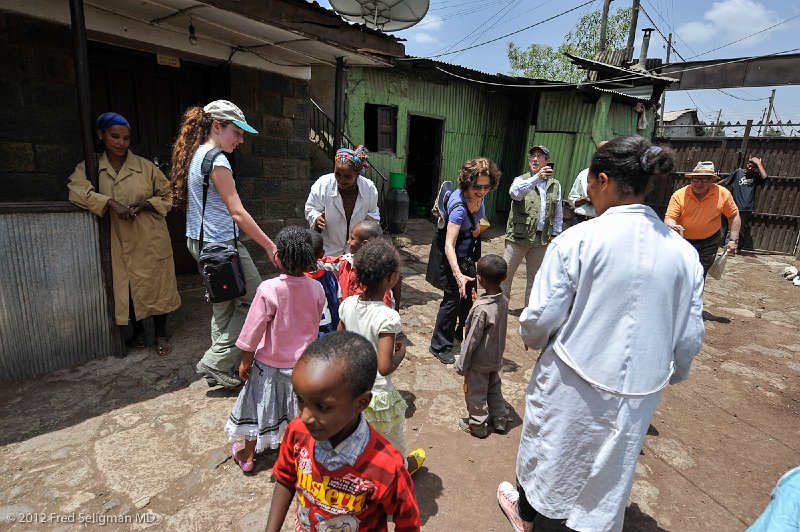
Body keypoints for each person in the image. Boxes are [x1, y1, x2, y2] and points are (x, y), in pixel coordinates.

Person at [498, 137, 705, 532]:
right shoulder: (683, 254)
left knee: (553, 459)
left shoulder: (578, 241)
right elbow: (689, 338)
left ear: (603, 180)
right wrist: (663, 374)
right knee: (609, 471)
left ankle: (529, 518)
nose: (587, 191)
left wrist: (534, 339)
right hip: (638, 393)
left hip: (572, 386)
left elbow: (539, 319)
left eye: (589, 183)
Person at [266, 331, 421, 532]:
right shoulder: (298, 432)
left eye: (321, 407)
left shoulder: (387, 466)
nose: (305, 416)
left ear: (362, 403)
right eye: (301, 400)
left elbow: (407, 522)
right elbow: (285, 479)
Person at [170, 99, 278, 388]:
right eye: (237, 132)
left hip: (201, 243)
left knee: (224, 308)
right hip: (220, 246)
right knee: (257, 300)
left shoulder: (198, 155)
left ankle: (223, 369)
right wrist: (269, 245)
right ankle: (216, 362)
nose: (240, 140)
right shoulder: (217, 160)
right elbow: (237, 211)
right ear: (216, 126)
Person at [68, 112, 180, 356]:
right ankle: (138, 332)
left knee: (159, 284)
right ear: (101, 136)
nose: (121, 143)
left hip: (149, 236)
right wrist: (109, 203)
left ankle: (160, 333)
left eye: (126, 138)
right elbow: (76, 192)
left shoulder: (145, 167)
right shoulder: (91, 167)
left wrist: (145, 205)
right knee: (127, 287)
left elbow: (168, 196)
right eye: (115, 136)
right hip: (117, 239)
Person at [225, 226, 325, 472]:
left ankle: (247, 456)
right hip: (303, 365)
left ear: (277, 256)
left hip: (269, 364)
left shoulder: (269, 289)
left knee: (256, 407)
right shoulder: (317, 289)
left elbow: (253, 330)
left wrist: (245, 360)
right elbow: (314, 320)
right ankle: (301, 456)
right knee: (298, 412)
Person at [337, 239, 425, 474]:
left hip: (351, 391)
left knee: (357, 440)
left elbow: (339, 343)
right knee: (392, 443)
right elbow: (384, 367)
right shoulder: (387, 317)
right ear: (393, 279)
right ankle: (399, 476)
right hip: (377, 395)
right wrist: (402, 352)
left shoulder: (347, 304)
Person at [429, 158, 501, 365]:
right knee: (452, 300)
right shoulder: (459, 207)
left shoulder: (478, 198)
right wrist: (457, 274)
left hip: (467, 255)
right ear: (467, 182)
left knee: (469, 298)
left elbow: (476, 218)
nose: (482, 191)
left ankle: (459, 333)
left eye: (487, 186)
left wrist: (476, 227)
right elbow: (449, 245)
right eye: (477, 186)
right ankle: (439, 345)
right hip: (453, 258)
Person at [455, 254, 509, 439]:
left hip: (480, 361)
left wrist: (462, 363)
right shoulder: (503, 300)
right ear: (504, 278)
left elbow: (472, 339)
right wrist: (479, 300)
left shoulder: (480, 310)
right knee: (494, 386)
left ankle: (478, 424)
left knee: (476, 391)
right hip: (496, 356)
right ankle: (499, 417)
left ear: (479, 278)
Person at [501, 145, 563, 306]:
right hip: (518, 237)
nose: (535, 159)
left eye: (539, 156)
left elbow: (557, 213)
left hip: (541, 240)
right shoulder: (521, 180)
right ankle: (499, 311)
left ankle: (529, 315)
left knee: (535, 281)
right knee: (504, 276)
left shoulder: (555, 185)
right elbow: (515, 194)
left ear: (546, 161)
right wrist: (537, 178)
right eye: (532, 156)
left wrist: (556, 235)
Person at [664, 161, 741, 277]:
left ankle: (695, 295)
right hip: (683, 241)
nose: (698, 183)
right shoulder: (679, 195)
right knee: (679, 273)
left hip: (709, 242)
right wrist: (672, 226)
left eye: (704, 180)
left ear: (712, 180)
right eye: (695, 179)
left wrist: (733, 240)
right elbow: (670, 217)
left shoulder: (723, 194)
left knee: (699, 274)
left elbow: (733, 215)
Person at [305, 145, 380, 256]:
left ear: (357, 173)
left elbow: (373, 216)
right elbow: (311, 208)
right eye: (338, 174)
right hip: (329, 251)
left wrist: (365, 231)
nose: (341, 180)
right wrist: (316, 218)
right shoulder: (322, 184)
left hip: (356, 253)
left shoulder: (369, 188)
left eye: (347, 176)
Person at [722, 156, 767, 251]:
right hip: (734, 205)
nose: (750, 168)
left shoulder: (756, 176)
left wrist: (759, 164)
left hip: (747, 207)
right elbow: (726, 181)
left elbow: (765, 177)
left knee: (741, 229)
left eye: (752, 167)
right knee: (731, 227)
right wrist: (713, 185)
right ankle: (728, 248)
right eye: (749, 165)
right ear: (746, 164)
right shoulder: (738, 172)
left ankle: (737, 248)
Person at [305, 230, 341, 336]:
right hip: (331, 331)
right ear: (322, 254)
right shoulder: (330, 276)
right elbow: (339, 301)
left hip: (307, 335)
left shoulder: (296, 281)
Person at [567, 140, 608, 224]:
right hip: (579, 220)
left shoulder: (615, 177)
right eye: (600, 151)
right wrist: (584, 200)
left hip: (601, 222)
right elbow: (571, 200)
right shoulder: (584, 174)